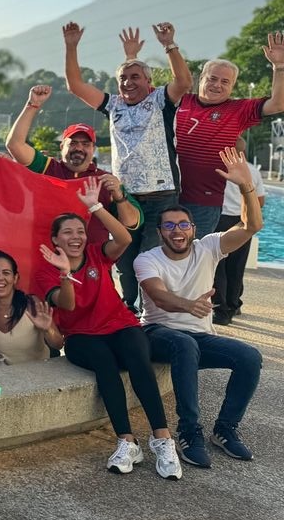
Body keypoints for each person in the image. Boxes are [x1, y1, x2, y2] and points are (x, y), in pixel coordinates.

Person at [34, 177, 181, 479]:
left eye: (80, 231)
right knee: (104, 364)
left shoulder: (96, 253)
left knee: (139, 358)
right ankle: (126, 441)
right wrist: (65, 274)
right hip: (81, 336)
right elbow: (69, 306)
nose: (75, 237)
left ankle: (163, 439)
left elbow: (125, 239)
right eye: (67, 233)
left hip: (119, 325)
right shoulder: (46, 270)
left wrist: (97, 207)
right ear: (56, 240)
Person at [136, 147, 263, 467]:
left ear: (194, 229)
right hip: (158, 334)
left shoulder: (208, 247)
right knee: (183, 342)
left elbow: (251, 227)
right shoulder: (147, 259)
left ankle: (225, 428)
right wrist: (187, 305)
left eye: (183, 225)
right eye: (169, 226)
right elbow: (159, 296)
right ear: (159, 231)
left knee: (249, 357)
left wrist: (246, 186)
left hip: (198, 339)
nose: (177, 231)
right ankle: (189, 431)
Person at [62, 21, 193, 309]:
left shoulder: (160, 100)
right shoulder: (113, 105)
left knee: (150, 258)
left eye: (135, 77)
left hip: (161, 195)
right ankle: (129, 307)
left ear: (149, 82)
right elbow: (75, 85)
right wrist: (71, 47)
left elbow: (184, 82)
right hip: (124, 197)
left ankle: (152, 312)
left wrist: (169, 44)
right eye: (123, 78)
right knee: (125, 259)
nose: (128, 83)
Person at [7, 85, 142, 253]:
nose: (79, 148)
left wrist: (119, 197)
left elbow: (131, 223)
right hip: (46, 256)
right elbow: (14, 145)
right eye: (73, 143)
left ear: (93, 149)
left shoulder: (105, 180)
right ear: (62, 146)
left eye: (85, 144)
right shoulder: (47, 167)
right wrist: (32, 105)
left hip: (91, 263)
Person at [173, 33, 284, 234]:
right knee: (153, 258)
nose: (217, 85)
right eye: (213, 78)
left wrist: (279, 67)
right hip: (165, 195)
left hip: (203, 202)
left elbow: (278, 104)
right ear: (201, 79)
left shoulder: (237, 110)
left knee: (196, 259)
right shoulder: (180, 100)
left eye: (225, 81)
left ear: (232, 86)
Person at [0, 251, 63, 365]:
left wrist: (47, 330)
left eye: (6, 273)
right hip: (5, 378)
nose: (0, 278)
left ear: (15, 278)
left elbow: (58, 344)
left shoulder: (32, 304)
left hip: (41, 375)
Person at [213, 136, 265, 323]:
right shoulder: (252, 170)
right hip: (244, 219)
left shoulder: (217, 168)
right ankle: (234, 304)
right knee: (237, 266)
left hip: (219, 217)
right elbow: (260, 202)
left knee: (218, 266)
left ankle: (221, 310)